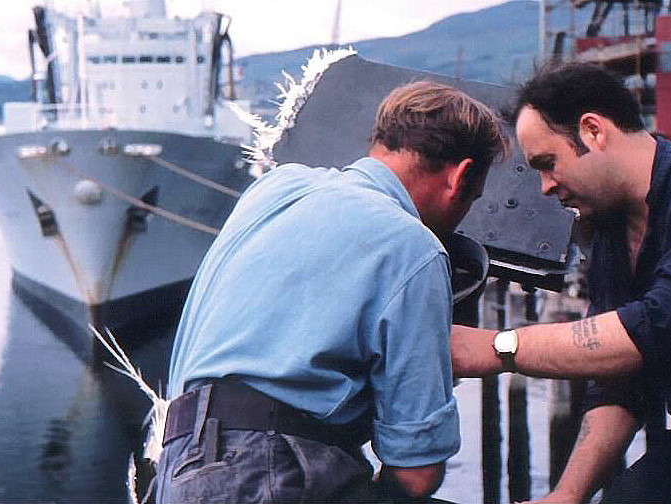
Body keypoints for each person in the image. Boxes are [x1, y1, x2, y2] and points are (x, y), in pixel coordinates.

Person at [155, 81, 509, 503]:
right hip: (268, 471)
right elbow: (418, 473)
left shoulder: (275, 188)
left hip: (181, 465)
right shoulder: (414, 246)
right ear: (461, 176)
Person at [451, 62, 671, 503]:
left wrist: (497, 348)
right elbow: (620, 381)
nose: (545, 187)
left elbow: (663, 323)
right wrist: (567, 495)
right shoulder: (610, 230)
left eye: (548, 164)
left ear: (594, 131)